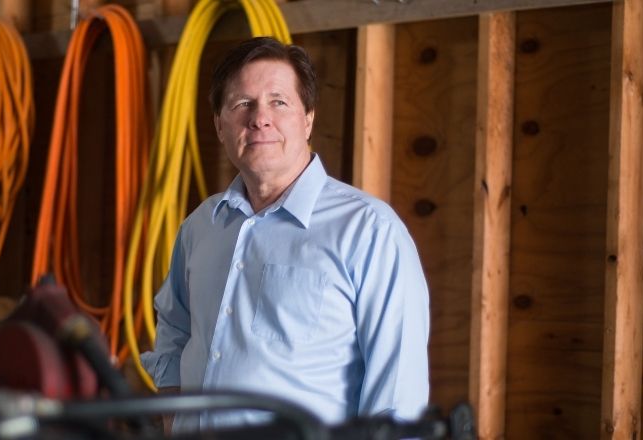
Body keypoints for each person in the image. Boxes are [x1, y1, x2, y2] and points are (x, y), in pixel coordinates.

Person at [140, 36, 430, 433]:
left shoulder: (370, 233)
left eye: (278, 102)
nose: (260, 118)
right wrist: (173, 417)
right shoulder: (201, 227)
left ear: (308, 119)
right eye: (242, 104)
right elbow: (174, 328)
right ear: (219, 125)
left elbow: (397, 402)